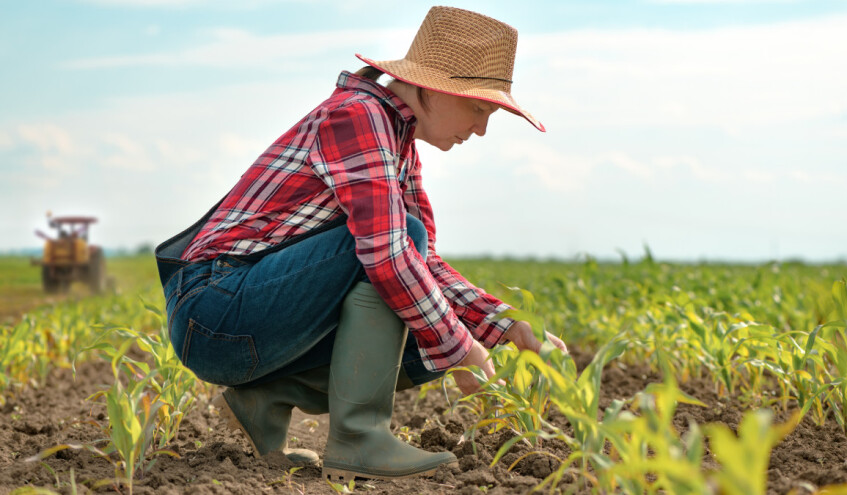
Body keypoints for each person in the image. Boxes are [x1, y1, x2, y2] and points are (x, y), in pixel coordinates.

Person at [154, 5, 566, 483]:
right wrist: (464, 353)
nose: (481, 129)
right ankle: (359, 441)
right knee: (409, 276)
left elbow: (423, 263)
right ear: (433, 88)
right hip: (213, 310)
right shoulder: (358, 116)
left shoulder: (397, 140)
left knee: (425, 323)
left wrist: (507, 327)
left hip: (244, 314)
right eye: (478, 108)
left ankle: (264, 401)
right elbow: (390, 253)